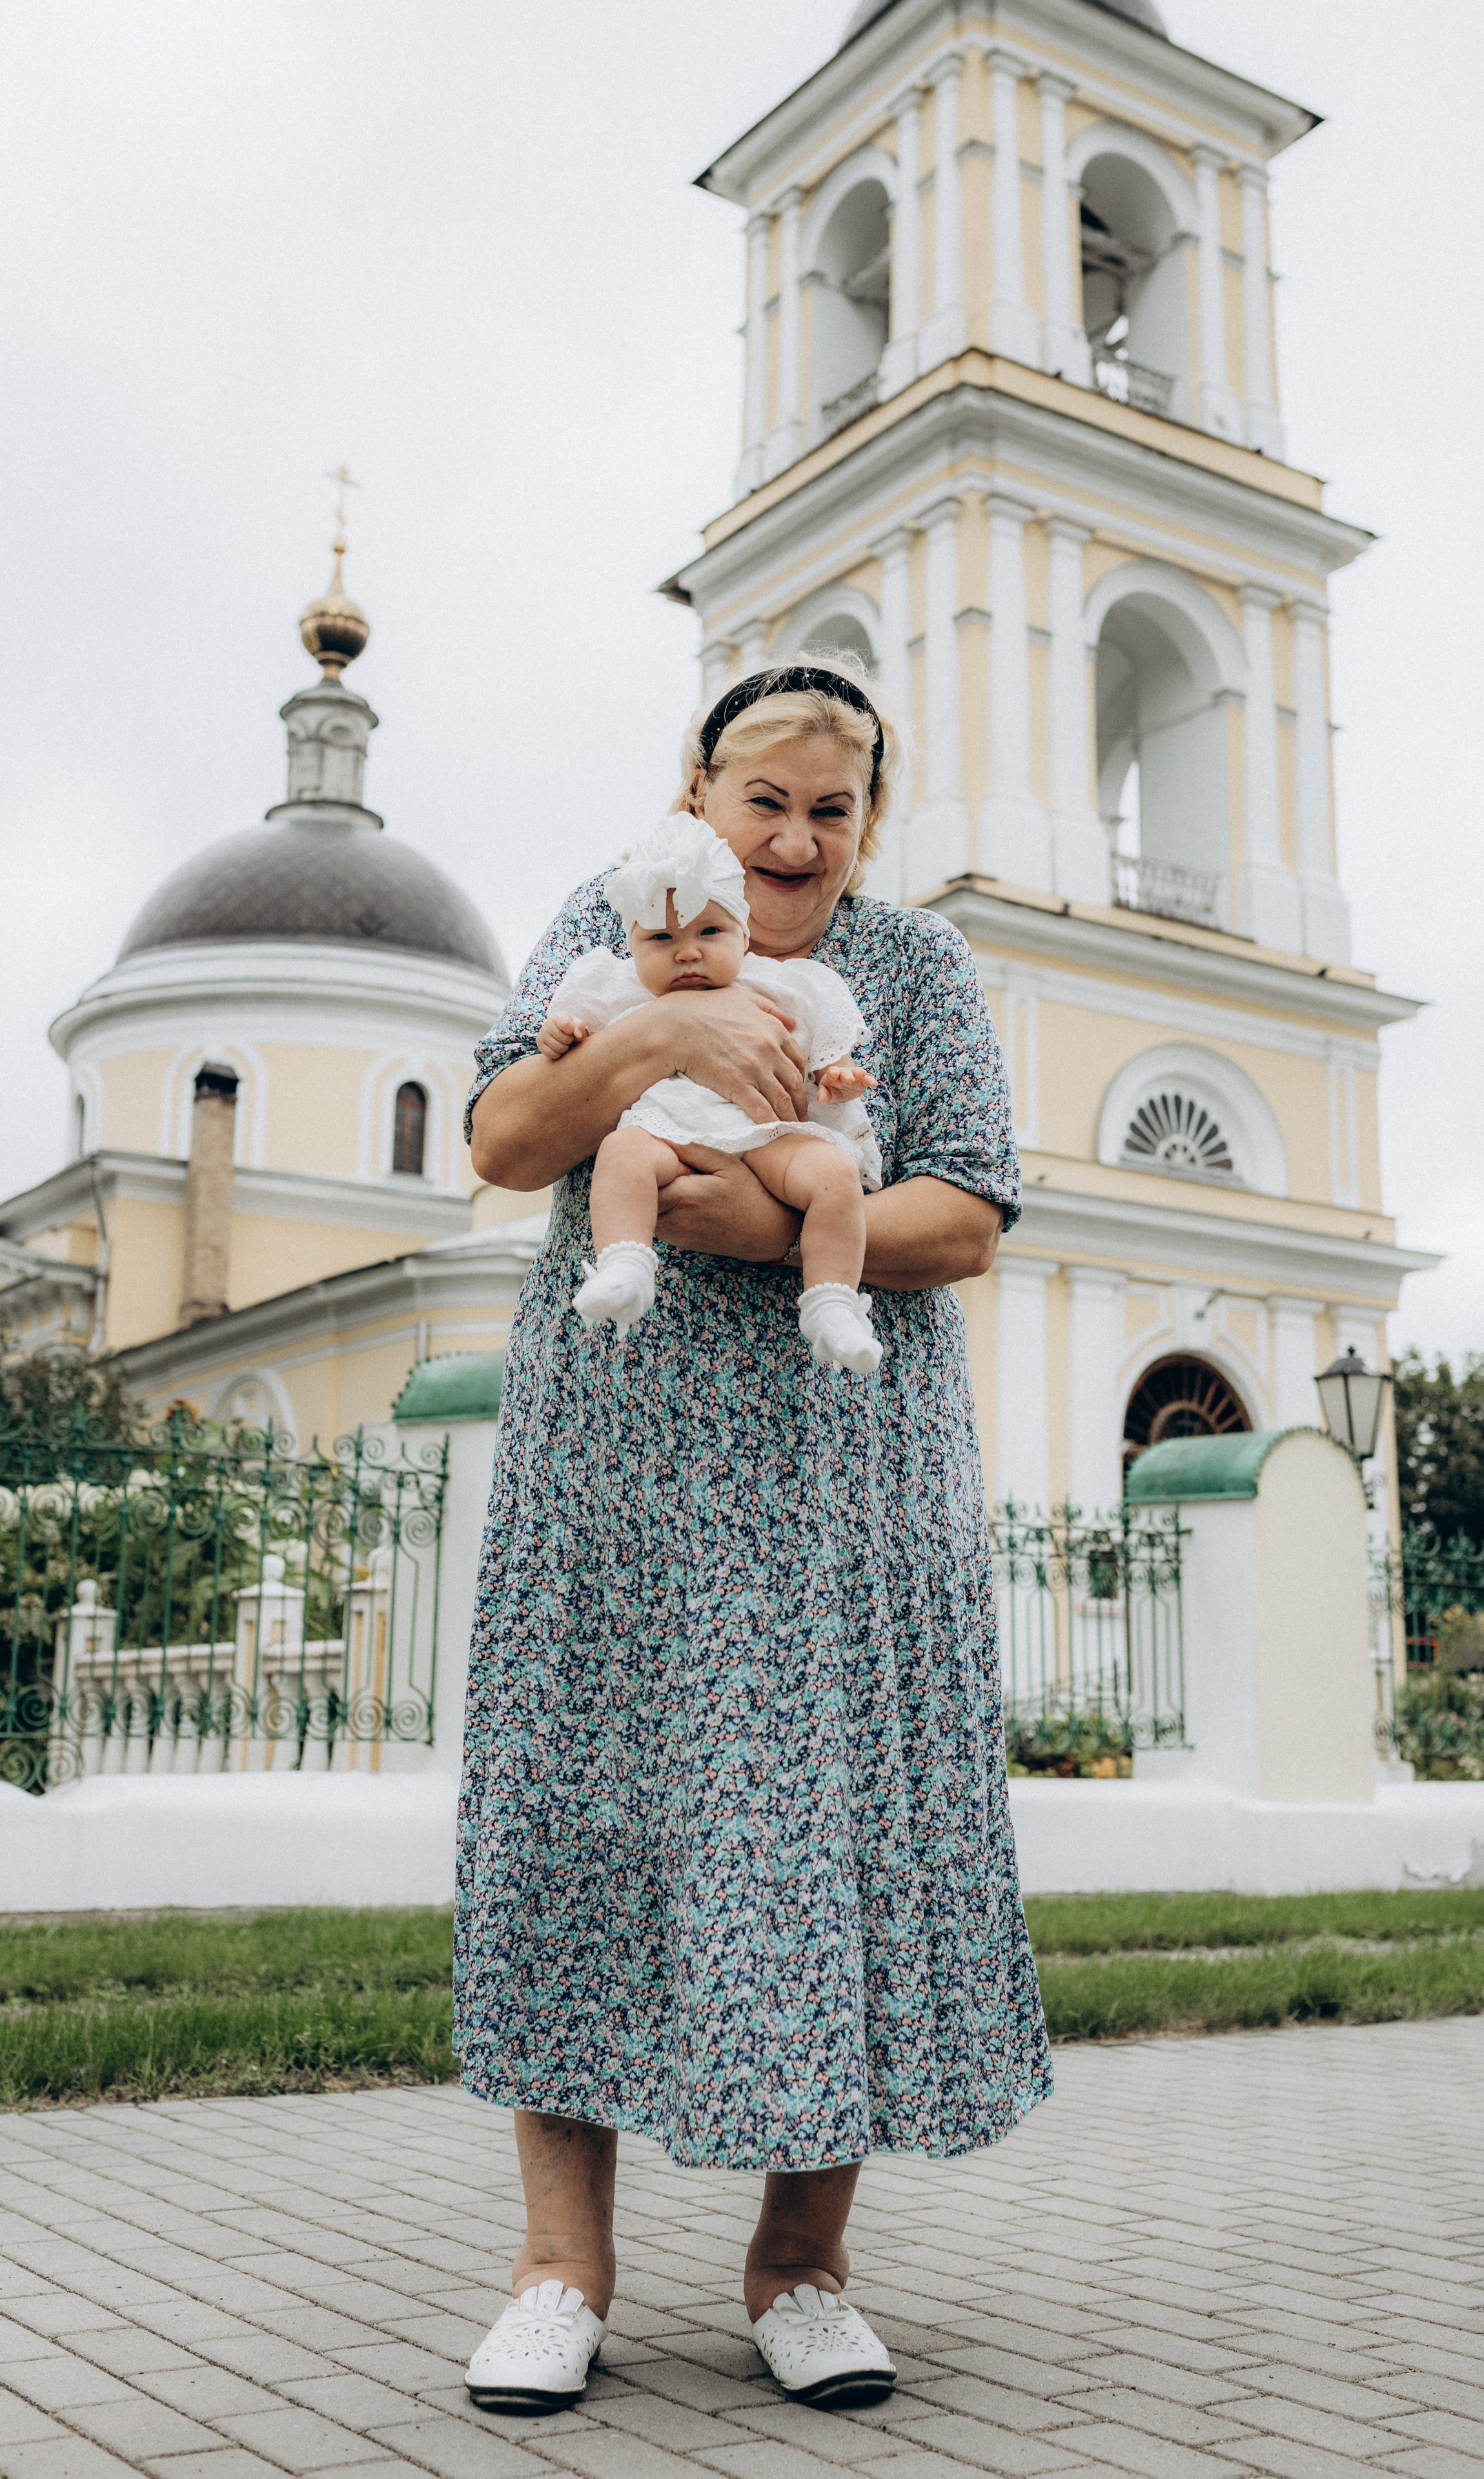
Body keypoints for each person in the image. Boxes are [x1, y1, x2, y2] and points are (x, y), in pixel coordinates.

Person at [458, 654, 1052, 2418]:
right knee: (579, 1820)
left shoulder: (917, 968)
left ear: (867, 824)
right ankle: (559, 2274)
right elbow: (504, 1138)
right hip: (616, 1489)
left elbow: (966, 1212)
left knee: (830, 1845)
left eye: (832, 808)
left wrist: (739, 1223)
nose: (794, 837)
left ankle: (804, 2270)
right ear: (700, 796)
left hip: (833, 1502)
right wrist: (659, 1036)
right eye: (765, 800)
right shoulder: (603, 919)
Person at [538, 810, 884, 1372]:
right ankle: (624, 1262)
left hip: (766, 1132)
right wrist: (561, 1033)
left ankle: (833, 1303)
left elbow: (824, 1035)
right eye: (661, 938)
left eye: (709, 932)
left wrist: (837, 1073)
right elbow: (574, 1026)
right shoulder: (620, 987)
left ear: (744, 934)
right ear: (632, 944)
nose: (688, 951)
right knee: (622, 1154)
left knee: (835, 1177)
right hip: (668, 1130)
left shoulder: (778, 980)